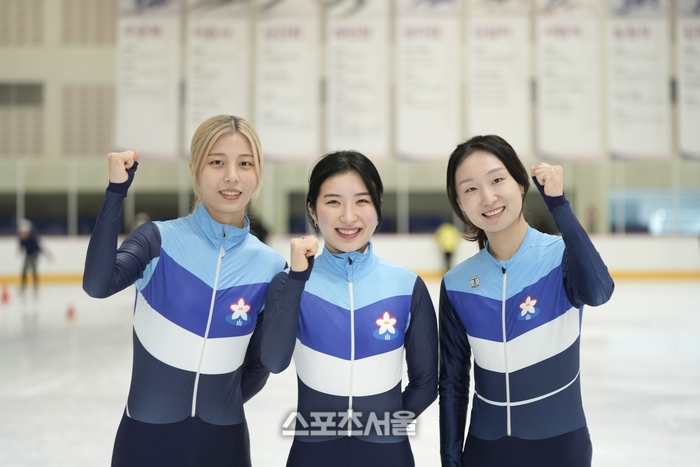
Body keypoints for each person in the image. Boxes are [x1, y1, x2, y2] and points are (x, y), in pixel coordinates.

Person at [83, 115, 286, 467]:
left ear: (259, 172)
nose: (232, 176)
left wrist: (217, 406)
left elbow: (260, 365)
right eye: (217, 162)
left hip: (224, 444)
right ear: (195, 169)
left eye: (245, 163)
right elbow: (98, 284)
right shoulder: (157, 241)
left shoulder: (271, 267)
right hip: (145, 441)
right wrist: (116, 191)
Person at [438, 135, 614, 467]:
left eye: (496, 180)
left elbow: (599, 291)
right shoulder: (457, 284)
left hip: (561, 449)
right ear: (460, 204)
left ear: (521, 183)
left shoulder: (561, 257)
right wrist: (450, 459)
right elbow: (452, 383)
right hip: (485, 452)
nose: (487, 197)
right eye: (471, 189)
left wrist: (558, 204)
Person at [261, 151, 438, 467]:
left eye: (362, 201)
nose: (348, 216)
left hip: (388, 456)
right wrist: (298, 279)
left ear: (377, 207)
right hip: (312, 455)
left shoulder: (407, 285)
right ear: (312, 210)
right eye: (333, 202)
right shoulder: (288, 283)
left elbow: (426, 383)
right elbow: (274, 361)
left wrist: (384, 431)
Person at [18, 219, 52, 295]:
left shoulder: (33, 238)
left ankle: (35, 287)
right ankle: (23, 286)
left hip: (34, 256)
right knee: (24, 270)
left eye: (24, 232)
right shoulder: (22, 239)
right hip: (28, 255)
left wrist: (47, 255)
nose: (23, 233)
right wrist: (20, 250)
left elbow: (39, 248)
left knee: (34, 271)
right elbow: (21, 245)